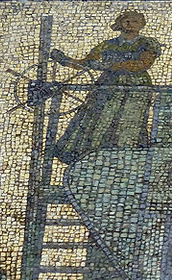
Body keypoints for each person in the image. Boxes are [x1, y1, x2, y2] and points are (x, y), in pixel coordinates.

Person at [49, 10, 161, 164]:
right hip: (107, 84)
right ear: (120, 23)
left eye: (135, 21)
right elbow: (85, 63)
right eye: (127, 21)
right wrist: (64, 60)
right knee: (97, 119)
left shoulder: (147, 44)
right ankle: (90, 157)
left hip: (135, 87)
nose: (130, 24)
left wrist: (111, 66)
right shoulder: (108, 44)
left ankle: (124, 159)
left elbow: (143, 64)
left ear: (141, 25)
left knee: (128, 123)